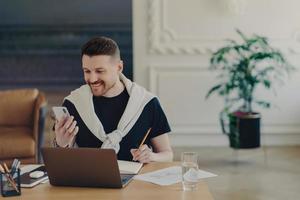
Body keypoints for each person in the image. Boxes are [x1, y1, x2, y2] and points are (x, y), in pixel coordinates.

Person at [53, 36, 173, 163]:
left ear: (119, 67)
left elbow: (167, 154)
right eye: (87, 71)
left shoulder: (147, 103)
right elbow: (62, 161)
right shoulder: (73, 103)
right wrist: (60, 144)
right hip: (87, 182)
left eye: (99, 71)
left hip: (137, 181)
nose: (92, 79)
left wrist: (152, 156)